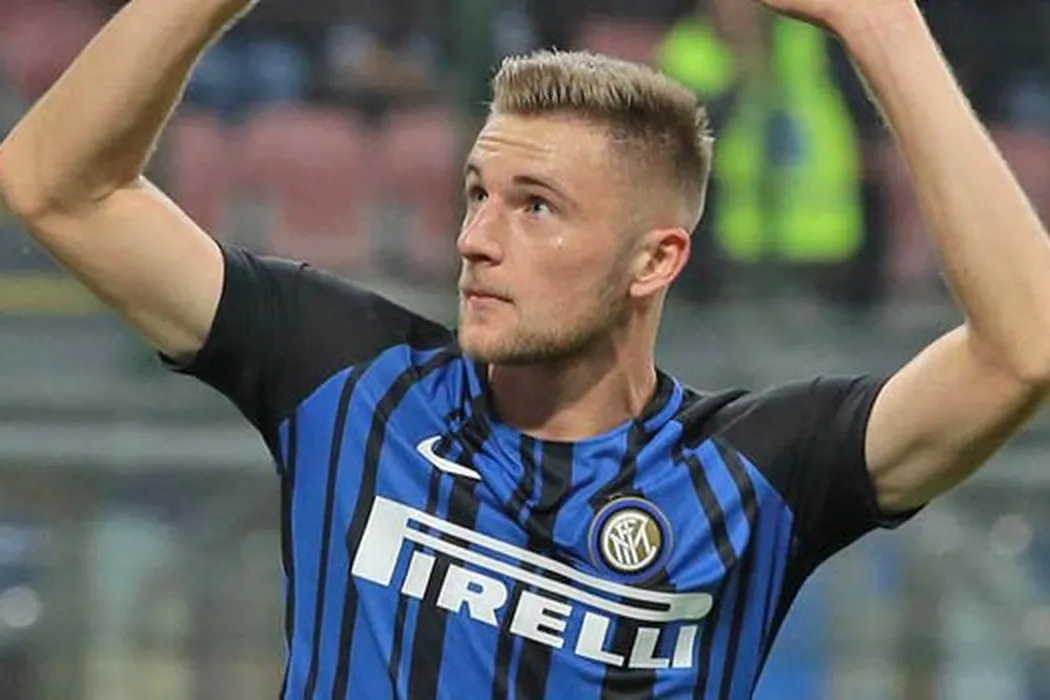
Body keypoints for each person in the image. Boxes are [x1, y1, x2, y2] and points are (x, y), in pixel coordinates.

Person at [1, 0, 1048, 697]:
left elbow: (1025, 347)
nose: (475, 238)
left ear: (655, 260)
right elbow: (57, 187)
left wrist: (881, 24)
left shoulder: (758, 471)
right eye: (477, 194)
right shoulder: (353, 377)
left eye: (535, 206)